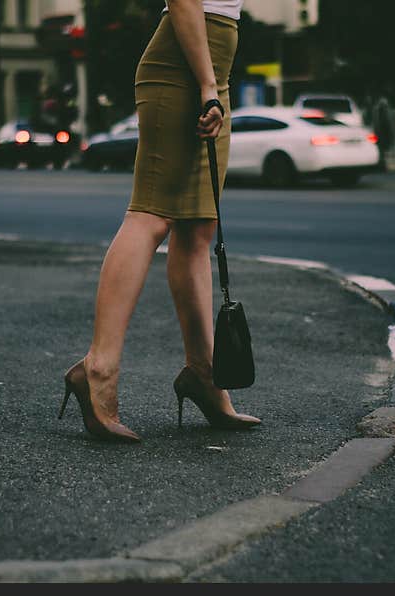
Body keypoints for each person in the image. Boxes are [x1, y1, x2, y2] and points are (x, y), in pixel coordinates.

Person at [59, 0, 260, 443]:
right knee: (151, 215)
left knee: (197, 229)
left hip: (214, 70)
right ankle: (98, 369)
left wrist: (213, 83)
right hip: (183, 65)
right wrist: (207, 82)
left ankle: (204, 374)